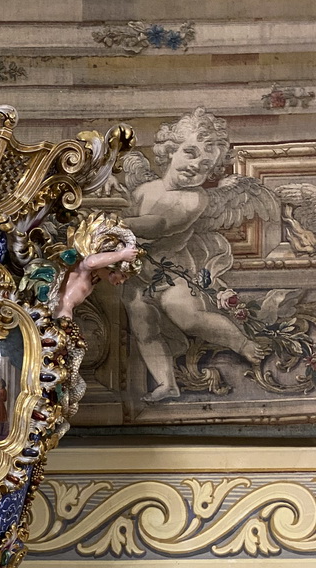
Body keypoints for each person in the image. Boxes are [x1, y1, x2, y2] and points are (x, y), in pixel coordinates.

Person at [122, 108, 274, 402]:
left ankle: (241, 343)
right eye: (190, 153)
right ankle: (167, 383)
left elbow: (159, 225)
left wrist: (110, 223)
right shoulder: (144, 188)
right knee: (144, 329)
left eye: (206, 165)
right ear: (170, 150)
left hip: (172, 273)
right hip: (135, 275)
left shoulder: (194, 198)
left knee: (188, 317)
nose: (196, 166)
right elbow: (128, 213)